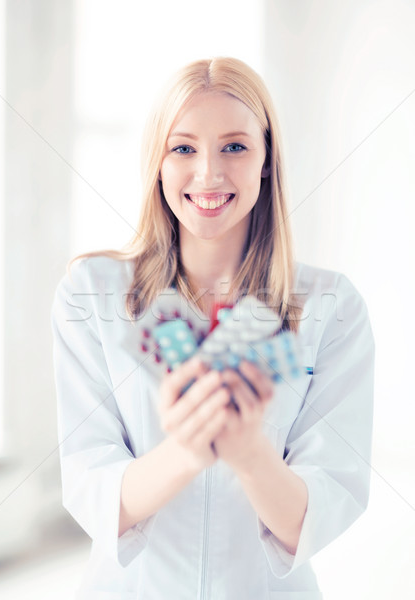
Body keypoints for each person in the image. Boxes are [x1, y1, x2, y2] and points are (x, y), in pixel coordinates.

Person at [51, 57, 375, 599]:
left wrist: (249, 452)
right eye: (183, 148)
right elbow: (93, 488)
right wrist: (187, 450)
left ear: (268, 158)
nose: (207, 173)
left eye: (235, 146)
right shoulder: (92, 293)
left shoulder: (329, 306)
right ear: (158, 161)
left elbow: (313, 517)